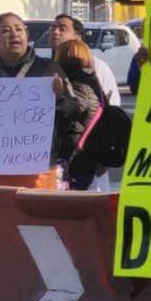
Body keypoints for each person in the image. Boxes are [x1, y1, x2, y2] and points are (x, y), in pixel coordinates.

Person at [0, 12, 67, 189]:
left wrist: (60, 96)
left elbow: (74, 110)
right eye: (6, 30)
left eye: (19, 29)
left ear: (27, 35)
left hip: (39, 168)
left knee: (38, 208)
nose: (14, 34)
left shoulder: (48, 68)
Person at [48, 15, 121, 192]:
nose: (55, 32)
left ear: (78, 36)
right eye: (53, 27)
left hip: (87, 161)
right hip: (56, 163)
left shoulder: (97, 67)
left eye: (62, 28)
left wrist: (105, 157)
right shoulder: (45, 67)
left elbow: (110, 113)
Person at [53, 39, 105, 191]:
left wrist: (59, 98)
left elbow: (70, 111)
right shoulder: (90, 81)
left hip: (76, 159)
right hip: (84, 157)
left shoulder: (79, 85)